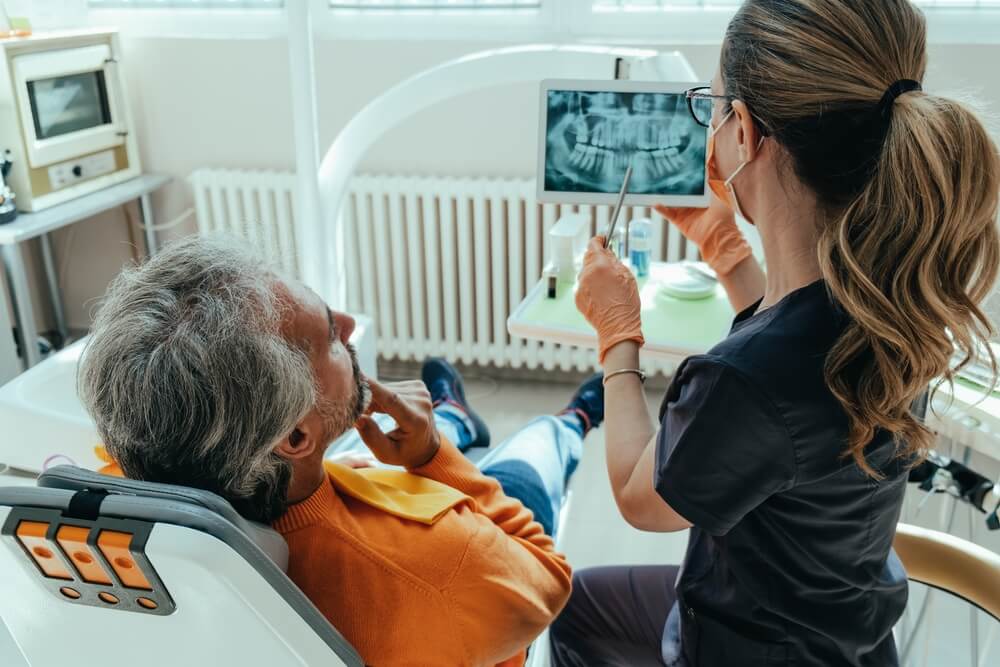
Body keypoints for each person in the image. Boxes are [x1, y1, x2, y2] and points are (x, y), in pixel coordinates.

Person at [552, 1, 999, 665]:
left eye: (717, 105)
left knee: (570, 612)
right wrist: (728, 253)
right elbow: (796, 339)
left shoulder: (740, 381)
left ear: (748, 132)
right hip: (848, 631)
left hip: (748, 645)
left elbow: (639, 496)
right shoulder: (893, 300)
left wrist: (618, 335)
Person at [77, 236, 607, 667]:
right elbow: (548, 578)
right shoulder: (439, 562)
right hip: (488, 539)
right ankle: (572, 419)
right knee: (530, 455)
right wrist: (433, 458)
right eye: (330, 334)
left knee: (417, 425)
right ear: (294, 439)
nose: (350, 324)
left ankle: (451, 414)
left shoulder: (129, 534)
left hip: (357, 488)